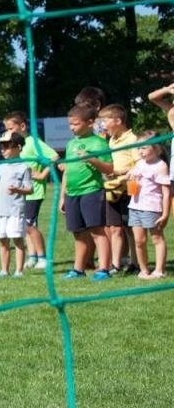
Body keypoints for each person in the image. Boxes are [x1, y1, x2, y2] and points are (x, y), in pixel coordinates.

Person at [0, 111, 58, 270]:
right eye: (6, 129)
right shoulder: (9, 154)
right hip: (16, 196)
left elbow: (54, 156)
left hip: (33, 191)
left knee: (30, 225)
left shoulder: (33, 142)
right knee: (24, 228)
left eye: (11, 128)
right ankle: (32, 257)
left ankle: (43, 257)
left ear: (22, 126)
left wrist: (42, 175)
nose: (8, 131)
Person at [58, 103, 115, 280]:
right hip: (72, 193)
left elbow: (110, 169)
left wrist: (92, 160)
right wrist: (62, 196)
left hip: (91, 191)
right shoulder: (71, 144)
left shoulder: (99, 143)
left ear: (90, 123)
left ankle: (103, 269)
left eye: (76, 124)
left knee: (97, 231)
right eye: (70, 124)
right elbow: (68, 171)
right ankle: (78, 269)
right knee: (78, 233)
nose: (72, 128)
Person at [0, 131, 34, 278]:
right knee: (2, 240)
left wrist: (17, 190)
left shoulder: (24, 167)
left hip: (15, 210)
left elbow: (30, 189)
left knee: (17, 239)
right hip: (0, 210)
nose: (2, 149)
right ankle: (4, 271)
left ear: (18, 147)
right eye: (1, 147)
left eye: (6, 146)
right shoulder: (1, 166)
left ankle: (19, 271)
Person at [97, 104, 139, 275]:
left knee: (131, 228)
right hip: (112, 189)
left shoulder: (132, 139)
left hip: (129, 189)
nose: (102, 125)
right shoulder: (111, 140)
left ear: (118, 121)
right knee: (114, 227)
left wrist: (118, 172)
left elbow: (138, 165)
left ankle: (135, 262)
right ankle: (115, 264)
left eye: (105, 120)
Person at [126, 136, 171, 278]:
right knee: (138, 241)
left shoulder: (161, 166)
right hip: (135, 206)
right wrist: (129, 176)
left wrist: (165, 214)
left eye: (144, 148)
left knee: (157, 238)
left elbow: (166, 193)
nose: (140, 151)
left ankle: (159, 270)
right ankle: (143, 270)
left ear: (157, 149)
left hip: (151, 208)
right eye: (138, 148)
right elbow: (131, 179)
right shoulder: (139, 163)